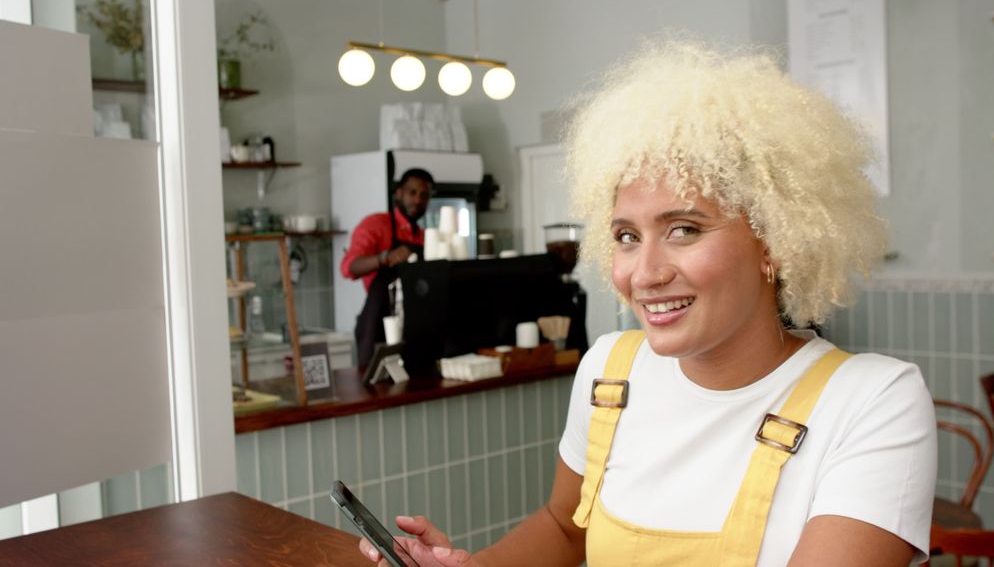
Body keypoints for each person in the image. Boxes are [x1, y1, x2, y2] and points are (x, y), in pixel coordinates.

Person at [358, 39, 936, 566]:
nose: (645, 273)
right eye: (627, 237)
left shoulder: (870, 402)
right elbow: (565, 528)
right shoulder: (609, 372)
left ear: (775, 242)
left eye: (684, 229)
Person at [341, 168, 432, 366]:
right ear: (398, 193)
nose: (417, 200)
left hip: (415, 325)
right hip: (378, 325)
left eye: (424, 195)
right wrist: (385, 258)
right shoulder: (376, 225)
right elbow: (349, 267)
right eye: (412, 192)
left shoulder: (424, 236)